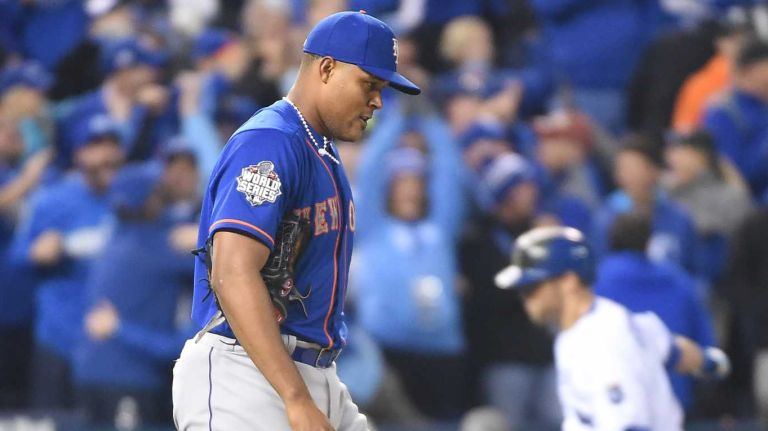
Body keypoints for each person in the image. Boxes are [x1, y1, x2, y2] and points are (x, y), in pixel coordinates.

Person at [172, 11, 421, 431]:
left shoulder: (319, 147)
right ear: (327, 68)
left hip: (311, 369)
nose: (377, 101)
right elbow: (232, 273)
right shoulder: (272, 140)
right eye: (370, 85)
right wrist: (295, 397)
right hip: (248, 373)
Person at [494, 226, 731, 429]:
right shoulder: (611, 320)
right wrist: (711, 363)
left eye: (532, 287)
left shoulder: (601, 343)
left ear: (568, 281)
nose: (526, 298)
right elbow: (676, 351)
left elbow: (630, 425)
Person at [74, 144, 200, 426]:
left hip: (99, 370)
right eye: (158, 190)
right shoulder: (154, 247)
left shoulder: (119, 236)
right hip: (127, 376)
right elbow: (221, 257)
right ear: (148, 202)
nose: (164, 192)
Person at [9, 113, 125, 409]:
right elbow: (17, 257)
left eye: (112, 144)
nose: (106, 153)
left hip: (110, 343)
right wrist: (37, 251)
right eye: (96, 145)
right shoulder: (52, 200)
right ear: (78, 154)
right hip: (58, 338)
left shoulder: (132, 199)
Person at [595, 212, 719, 411]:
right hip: (673, 402)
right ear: (648, 242)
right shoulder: (680, 282)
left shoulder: (594, 287)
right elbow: (706, 345)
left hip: (613, 403)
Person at [703, 37, 768, 200]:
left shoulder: (763, 104)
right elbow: (730, 172)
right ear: (748, 71)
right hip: (746, 205)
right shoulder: (724, 112)